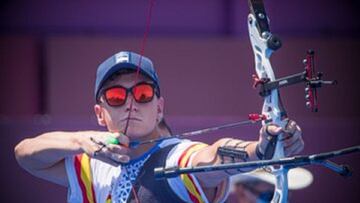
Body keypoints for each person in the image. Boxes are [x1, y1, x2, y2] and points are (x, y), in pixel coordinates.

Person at [14, 51, 304, 203]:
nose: (130, 103)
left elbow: (213, 157)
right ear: (100, 113)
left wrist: (261, 149)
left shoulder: (179, 158)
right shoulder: (89, 166)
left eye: (142, 94)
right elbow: (25, 154)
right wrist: (80, 142)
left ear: (160, 107)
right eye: (116, 96)